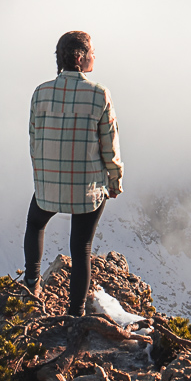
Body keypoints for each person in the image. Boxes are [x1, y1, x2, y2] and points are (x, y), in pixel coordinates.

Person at [24, 29, 122, 316]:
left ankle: (32, 283)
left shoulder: (40, 93)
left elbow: (34, 139)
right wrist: (114, 182)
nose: (94, 57)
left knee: (36, 224)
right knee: (81, 247)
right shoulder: (99, 94)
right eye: (91, 52)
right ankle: (75, 312)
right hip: (86, 191)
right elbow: (110, 146)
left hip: (48, 187)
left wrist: (43, 176)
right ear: (80, 58)